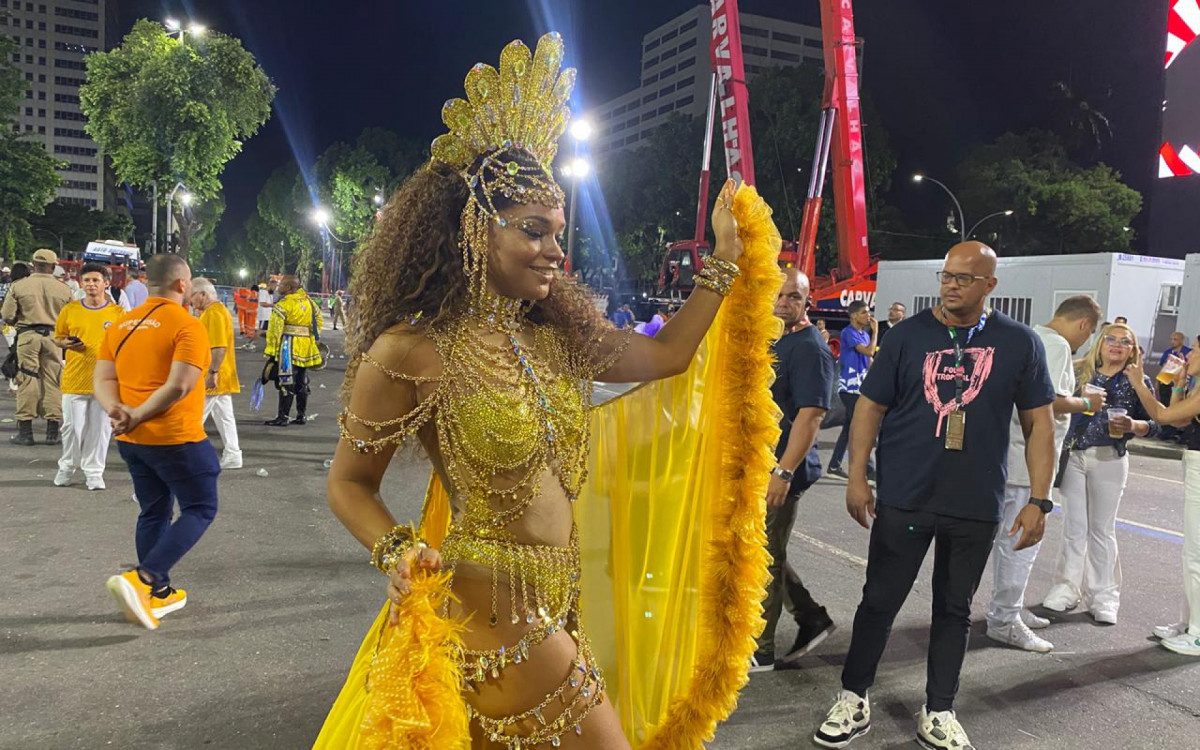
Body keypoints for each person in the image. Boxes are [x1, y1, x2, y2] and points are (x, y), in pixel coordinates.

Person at [315, 33, 754, 749]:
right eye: (535, 230)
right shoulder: (412, 351)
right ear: (472, 229)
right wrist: (397, 551)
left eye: (559, 232)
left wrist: (724, 263)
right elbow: (349, 482)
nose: (557, 250)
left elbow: (669, 355)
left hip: (557, 596)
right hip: (490, 603)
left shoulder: (552, 339)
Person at [812, 242, 1056, 750]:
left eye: (965, 278)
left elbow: (1040, 425)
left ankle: (939, 709)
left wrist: (1039, 499)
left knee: (954, 610)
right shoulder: (906, 336)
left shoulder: (1020, 343)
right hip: (906, 494)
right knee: (879, 601)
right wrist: (857, 476)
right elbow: (869, 409)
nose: (951, 284)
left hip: (975, 502)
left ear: (990, 285)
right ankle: (854, 698)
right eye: (947, 275)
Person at [95, 254, 218, 631]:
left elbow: (102, 379)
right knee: (200, 507)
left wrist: (118, 411)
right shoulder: (187, 325)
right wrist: (139, 413)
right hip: (174, 436)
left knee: (153, 511)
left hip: (132, 439)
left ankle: (159, 594)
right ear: (182, 284)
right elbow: (179, 386)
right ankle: (144, 578)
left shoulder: (120, 324)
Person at [984, 295, 1102, 653]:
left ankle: (1009, 609)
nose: (1087, 340)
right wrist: (1086, 403)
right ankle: (1004, 619)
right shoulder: (1054, 345)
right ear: (1083, 324)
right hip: (1027, 461)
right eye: (1091, 333)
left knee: (1010, 542)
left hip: (1015, 455)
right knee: (1020, 543)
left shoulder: (1032, 337)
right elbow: (1045, 400)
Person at [1040, 323, 1157, 625]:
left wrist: (1133, 425)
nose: (1116, 346)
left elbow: (1155, 423)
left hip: (1110, 458)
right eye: (1111, 340)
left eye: (1125, 342)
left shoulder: (1137, 380)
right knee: (1073, 527)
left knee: (1102, 530)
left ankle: (1104, 596)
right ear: (1100, 343)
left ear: (1133, 350)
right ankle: (1066, 588)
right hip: (1073, 456)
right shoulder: (1079, 371)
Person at [752, 269, 837, 672]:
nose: (784, 302)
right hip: (759, 464)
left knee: (765, 555)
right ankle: (811, 616)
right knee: (762, 550)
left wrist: (783, 472)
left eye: (794, 297)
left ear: (807, 303)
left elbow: (812, 415)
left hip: (782, 470)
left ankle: (760, 648)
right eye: (779, 294)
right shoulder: (775, 339)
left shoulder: (809, 348)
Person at [1126, 349, 1200, 656]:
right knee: (1191, 553)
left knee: (1196, 554)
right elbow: (1180, 419)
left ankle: (1197, 634)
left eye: (1195, 348)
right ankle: (1189, 623)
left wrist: (1139, 384)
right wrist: (1181, 382)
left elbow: (1162, 417)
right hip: (1194, 458)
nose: (1188, 354)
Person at [51, 263, 124, 490]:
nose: (91, 284)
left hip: (105, 382)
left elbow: (125, 344)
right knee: (72, 427)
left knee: (100, 429)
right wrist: (67, 344)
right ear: (81, 283)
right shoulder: (70, 310)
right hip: (75, 379)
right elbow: (58, 337)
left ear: (106, 283)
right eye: (87, 280)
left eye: (95, 280)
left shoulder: (117, 314)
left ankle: (94, 472)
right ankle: (68, 466)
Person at [1, 248, 74, 446]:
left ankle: (26, 432)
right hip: (54, 339)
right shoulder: (65, 289)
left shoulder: (19, 286)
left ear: (33, 265)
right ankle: (52, 432)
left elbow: (7, 315)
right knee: (53, 380)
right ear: (53, 266)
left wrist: (21, 322)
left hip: (28, 336)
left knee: (27, 379)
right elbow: (72, 319)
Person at [191, 278, 243, 470]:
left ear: (203, 294)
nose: (191, 301)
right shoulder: (216, 311)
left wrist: (212, 372)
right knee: (224, 416)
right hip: (222, 372)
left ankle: (185, 457)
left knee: (193, 417)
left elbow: (219, 347)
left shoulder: (213, 314)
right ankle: (233, 453)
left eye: (192, 296)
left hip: (214, 373)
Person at [827, 300, 877, 481]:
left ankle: (834, 465)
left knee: (850, 427)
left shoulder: (863, 334)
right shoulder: (848, 332)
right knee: (859, 426)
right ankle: (869, 469)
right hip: (849, 387)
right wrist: (876, 331)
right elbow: (869, 352)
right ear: (854, 315)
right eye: (864, 312)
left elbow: (869, 362)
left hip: (860, 387)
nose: (868, 315)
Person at [263, 275, 323, 426]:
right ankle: (301, 415)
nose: (278, 287)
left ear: (289, 288)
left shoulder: (283, 304)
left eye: (281, 285)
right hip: (306, 346)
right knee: (302, 382)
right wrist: (310, 336)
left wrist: (271, 350)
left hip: (288, 345)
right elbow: (318, 321)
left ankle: (283, 417)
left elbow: (275, 330)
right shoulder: (309, 301)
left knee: (286, 380)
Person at [1157, 332, 1192, 441]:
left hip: (1180, 385)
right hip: (1166, 382)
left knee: (1177, 407)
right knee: (1165, 405)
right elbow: (1163, 367)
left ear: (1181, 340)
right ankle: (1166, 432)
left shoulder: (1188, 353)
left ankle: (1179, 433)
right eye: (1171, 339)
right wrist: (1158, 382)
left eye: (1175, 339)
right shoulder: (1168, 352)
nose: (1172, 341)